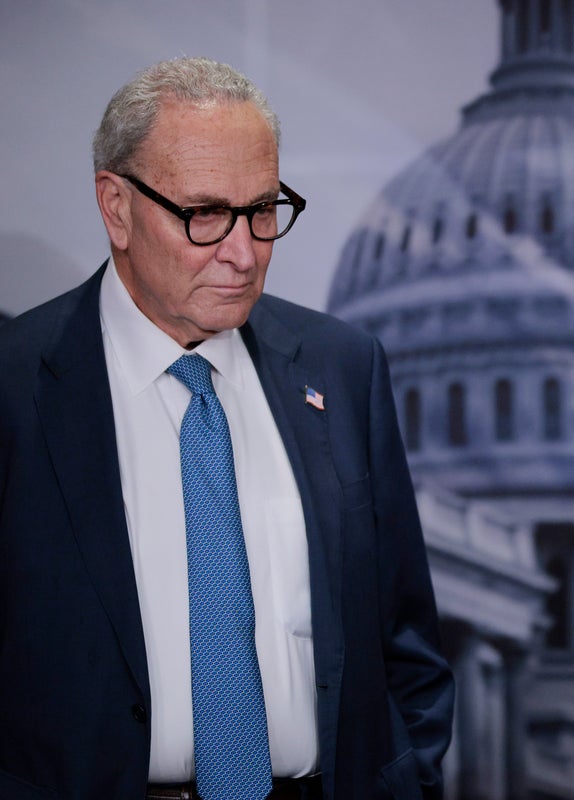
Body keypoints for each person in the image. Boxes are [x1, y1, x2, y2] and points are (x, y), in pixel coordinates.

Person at [0, 57, 453, 799]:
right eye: (204, 214)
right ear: (116, 207)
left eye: (263, 210)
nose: (244, 253)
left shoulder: (343, 368)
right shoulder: (16, 385)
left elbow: (406, 644)